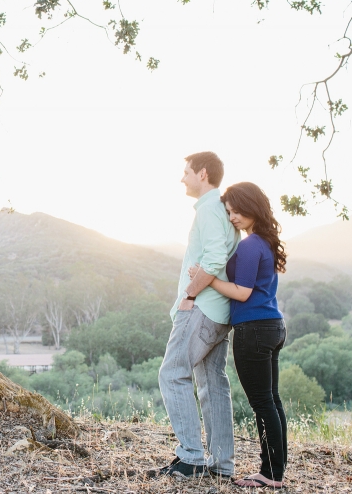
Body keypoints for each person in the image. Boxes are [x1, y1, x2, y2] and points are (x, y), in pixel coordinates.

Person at [186, 181, 288, 489]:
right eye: (228, 212)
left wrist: (208, 279)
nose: (231, 217)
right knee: (272, 401)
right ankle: (276, 470)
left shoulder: (249, 245)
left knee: (262, 403)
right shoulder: (265, 242)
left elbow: (242, 293)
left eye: (235, 211)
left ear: (251, 207)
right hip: (273, 326)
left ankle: (270, 474)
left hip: (254, 329)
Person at [157, 152, 240, 479]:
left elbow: (216, 258)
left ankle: (190, 456)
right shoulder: (224, 211)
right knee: (212, 382)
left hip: (202, 308)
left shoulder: (208, 210)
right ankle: (221, 466)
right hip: (220, 311)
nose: (182, 178)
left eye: (186, 172)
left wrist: (189, 295)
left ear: (202, 174)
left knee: (172, 373)